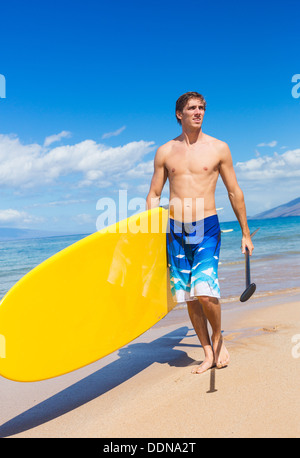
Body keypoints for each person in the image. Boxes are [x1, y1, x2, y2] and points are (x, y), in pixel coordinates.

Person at [146, 91, 254, 374]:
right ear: (179, 114)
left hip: (205, 226)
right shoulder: (165, 151)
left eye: (202, 108)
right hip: (176, 231)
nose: (198, 112)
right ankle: (207, 352)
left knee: (205, 292)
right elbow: (154, 194)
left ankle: (218, 340)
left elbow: (234, 191)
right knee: (190, 297)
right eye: (192, 108)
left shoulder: (219, 148)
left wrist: (245, 232)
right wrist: (149, 235)